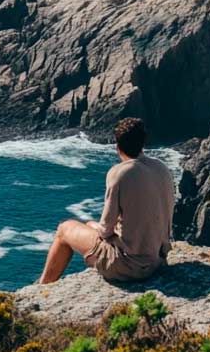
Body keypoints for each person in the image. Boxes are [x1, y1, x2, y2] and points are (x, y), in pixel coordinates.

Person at [39, 118, 175, 284]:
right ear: (142, 143)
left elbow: (105, 231)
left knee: (64, 229)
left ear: (117, 147)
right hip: (158, 261)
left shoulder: (120, 173)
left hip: (132, 267)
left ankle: (42, 287)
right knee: (89, 224)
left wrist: (98, 228)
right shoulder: (161, 167)